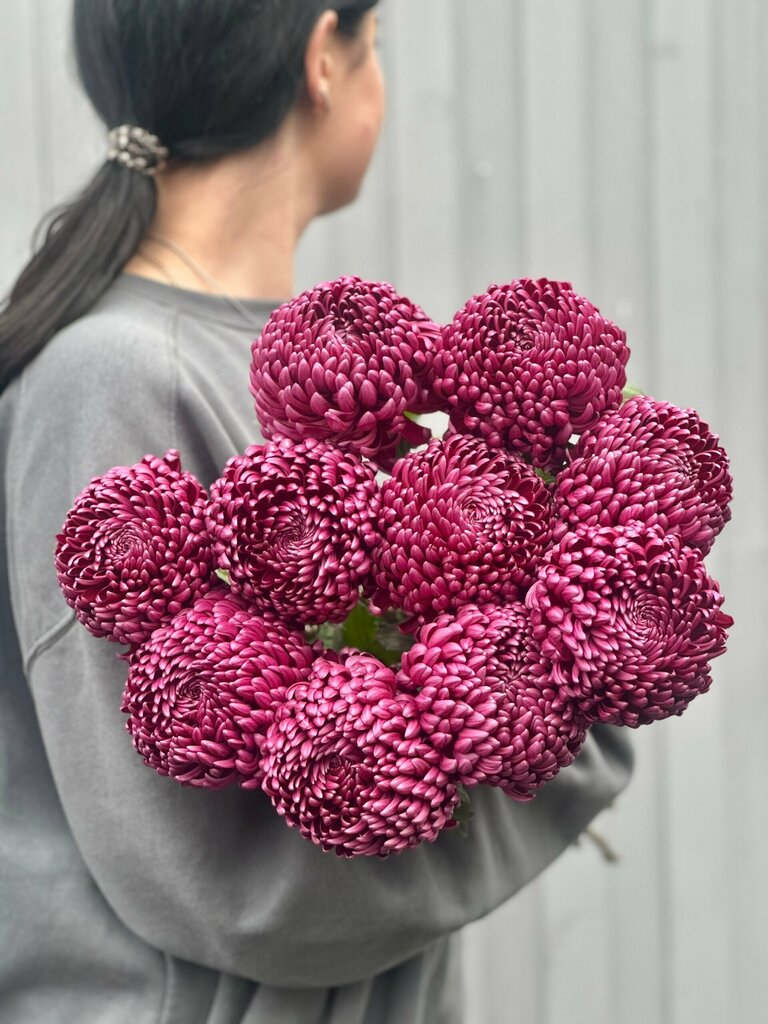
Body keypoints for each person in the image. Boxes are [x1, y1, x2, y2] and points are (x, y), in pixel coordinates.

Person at [0, 2, 635, 1021]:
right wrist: (564, 748)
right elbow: (228, 885)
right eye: (377, 45)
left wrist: (572, 636)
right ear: (322, 60)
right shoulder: (112, 377)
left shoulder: (329, 365)